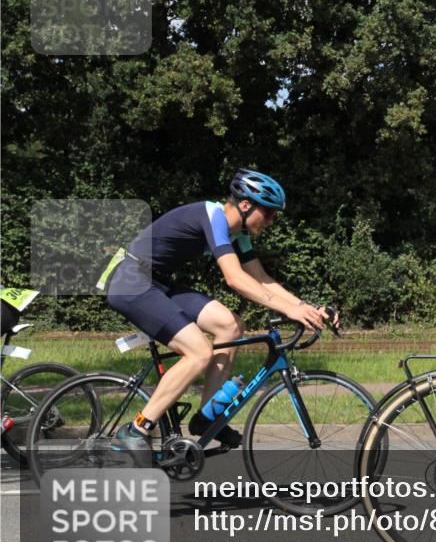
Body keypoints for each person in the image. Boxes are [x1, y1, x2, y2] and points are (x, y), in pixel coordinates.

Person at [104, 169, 331, 465]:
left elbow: (261, 278)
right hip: (130, 280)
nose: (273, 221)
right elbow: (234, 278)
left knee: (231, 325)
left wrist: (306, 307)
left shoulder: (238, 234)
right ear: (247, 205)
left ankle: (206, 418)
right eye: (270, 213)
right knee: (198, 351)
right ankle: (137, 428)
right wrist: (288, 309)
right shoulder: (213, 215)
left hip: (157, 282)